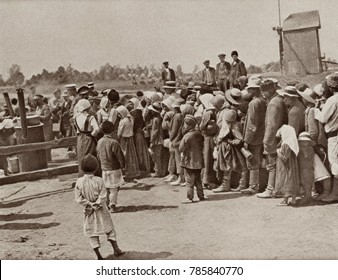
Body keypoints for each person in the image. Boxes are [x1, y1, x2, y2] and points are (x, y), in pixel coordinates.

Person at [74, 154, 125, 260]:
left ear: (82, 168)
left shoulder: (79, 182)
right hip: (101, 209)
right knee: (109, 228)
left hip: (89, 210)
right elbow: (103, 195)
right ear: (96, 167)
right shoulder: (99, 180)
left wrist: (88, 204)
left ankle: (97, 255)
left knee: (92, 232)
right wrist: (97, 203)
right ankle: (116, 249)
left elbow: (78, 198)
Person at [257, 79, 288, 198]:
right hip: (278, 137)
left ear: (270, 90)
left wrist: (267, 141)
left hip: (273, 139)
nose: (263, 94)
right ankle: (277, 188)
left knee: (272, 165)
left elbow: (271, 125)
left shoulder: (273, 103)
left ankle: (270, 189)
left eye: (264, 91)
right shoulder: (278, 100)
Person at [315, 73, 338, 203]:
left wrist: (316, 111)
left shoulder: (332, 100)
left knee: (334, 164)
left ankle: (335, 193)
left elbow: (323, 118)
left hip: (334, 135)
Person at [241, 82, 266, 195]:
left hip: (254, 137)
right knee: (258, 161)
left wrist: (247, 139)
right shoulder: (262, 101)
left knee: (253, 161)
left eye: (250, 89)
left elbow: (252, 124)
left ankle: (253, 186)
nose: (248, 92)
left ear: (254, 90)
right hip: (261, 135)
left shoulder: (253, 103)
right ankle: (258, 185)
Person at [97, 121, 125, 213]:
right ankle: (112, 206)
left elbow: (98, 155)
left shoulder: (100, 141)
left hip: (104, 168)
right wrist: (123, 166)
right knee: (114, 188)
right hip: (114, 168)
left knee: (106, 188)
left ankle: (106, 204)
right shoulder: (114, 142)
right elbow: (120, 156)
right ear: (113, 131)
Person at [179, 115, 205, 204]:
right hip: (198, 161)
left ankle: (189, 197)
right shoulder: (199, 134)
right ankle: (201, 195)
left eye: (185, 125)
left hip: (189, 161)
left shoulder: (187, 136)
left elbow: (181, 148)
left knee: (189, 180)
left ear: (189, 125)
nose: (184, 126)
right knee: (198, 179)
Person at [74, 99, 100, 177]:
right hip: (89, 138)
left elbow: (76, 128)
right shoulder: (90, 117)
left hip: (80, 138)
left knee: (81, 157)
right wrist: (92, 134)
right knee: (90, 156)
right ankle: (93, 175)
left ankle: (82, 175)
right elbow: (97, 129)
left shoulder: (76, 117)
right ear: (88, 108)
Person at [275, 125, 299, 206]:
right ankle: (293, 200)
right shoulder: (293, 144)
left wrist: (278, 152)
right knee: (293, 181)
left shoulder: (286, 144)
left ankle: (285, 200)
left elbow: (285, 158)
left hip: (287, 168)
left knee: (287, 182)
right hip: (293, 167)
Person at [199, 93, 219, 189]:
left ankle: (206, 180)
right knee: (210, 159)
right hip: (212, 137)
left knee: (207, 159)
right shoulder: (214, 112)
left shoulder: (208, 113)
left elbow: (202, 126)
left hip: (207, 138)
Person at [116, 105, 140, 181]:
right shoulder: (131, 119)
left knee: (124, 155)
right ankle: (133, 172)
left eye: (119, 113)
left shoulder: (123, 121)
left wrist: (118, 138)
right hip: (130, 138)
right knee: (131, 155)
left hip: (124, 139)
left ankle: (126, 173)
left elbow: (119, 132)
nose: (118, 115)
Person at [128, 98, 151, 174]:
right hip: (138, 133)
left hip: (136, 134)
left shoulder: (134, 113)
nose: (129, 105)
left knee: (139, 151)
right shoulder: (138, 111)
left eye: (131, 103)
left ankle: (141, 167)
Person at [169, 98, 185, 186]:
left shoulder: (177, 116)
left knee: (178, 159)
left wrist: (171, 138)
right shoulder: (182, 115)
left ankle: (180, 178)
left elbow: (174, 130)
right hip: (180, 139)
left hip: (176, 140)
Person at [297, 132, 315, 205]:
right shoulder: (307, 148)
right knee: (305, 183)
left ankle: (307, 197)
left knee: (306, 183)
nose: (303, 143)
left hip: (307, 169)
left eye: (305, 141)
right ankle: (307, 196)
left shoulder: (307, 149)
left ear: (309, 142)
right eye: (302, 141)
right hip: (304, 168)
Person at [148, 102, 165, 177]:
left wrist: (151, 140)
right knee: (158, 156)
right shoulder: (159, 118)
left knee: (155, 156)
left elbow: (155, 131)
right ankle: (159, 171)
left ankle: (158, 172)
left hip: (157, 140)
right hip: (160, 138)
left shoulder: (155, 119)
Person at [34, 94, 53, 159]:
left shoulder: (45, 107)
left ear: (41, 100)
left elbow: (46, 117)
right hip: (41, 127)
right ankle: (44, 158)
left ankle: (48, 158)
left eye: (37, 100)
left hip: (46, 126)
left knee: (47, 141)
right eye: (34, 100)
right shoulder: (38, 107)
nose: (35, 102)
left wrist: (37, 117)